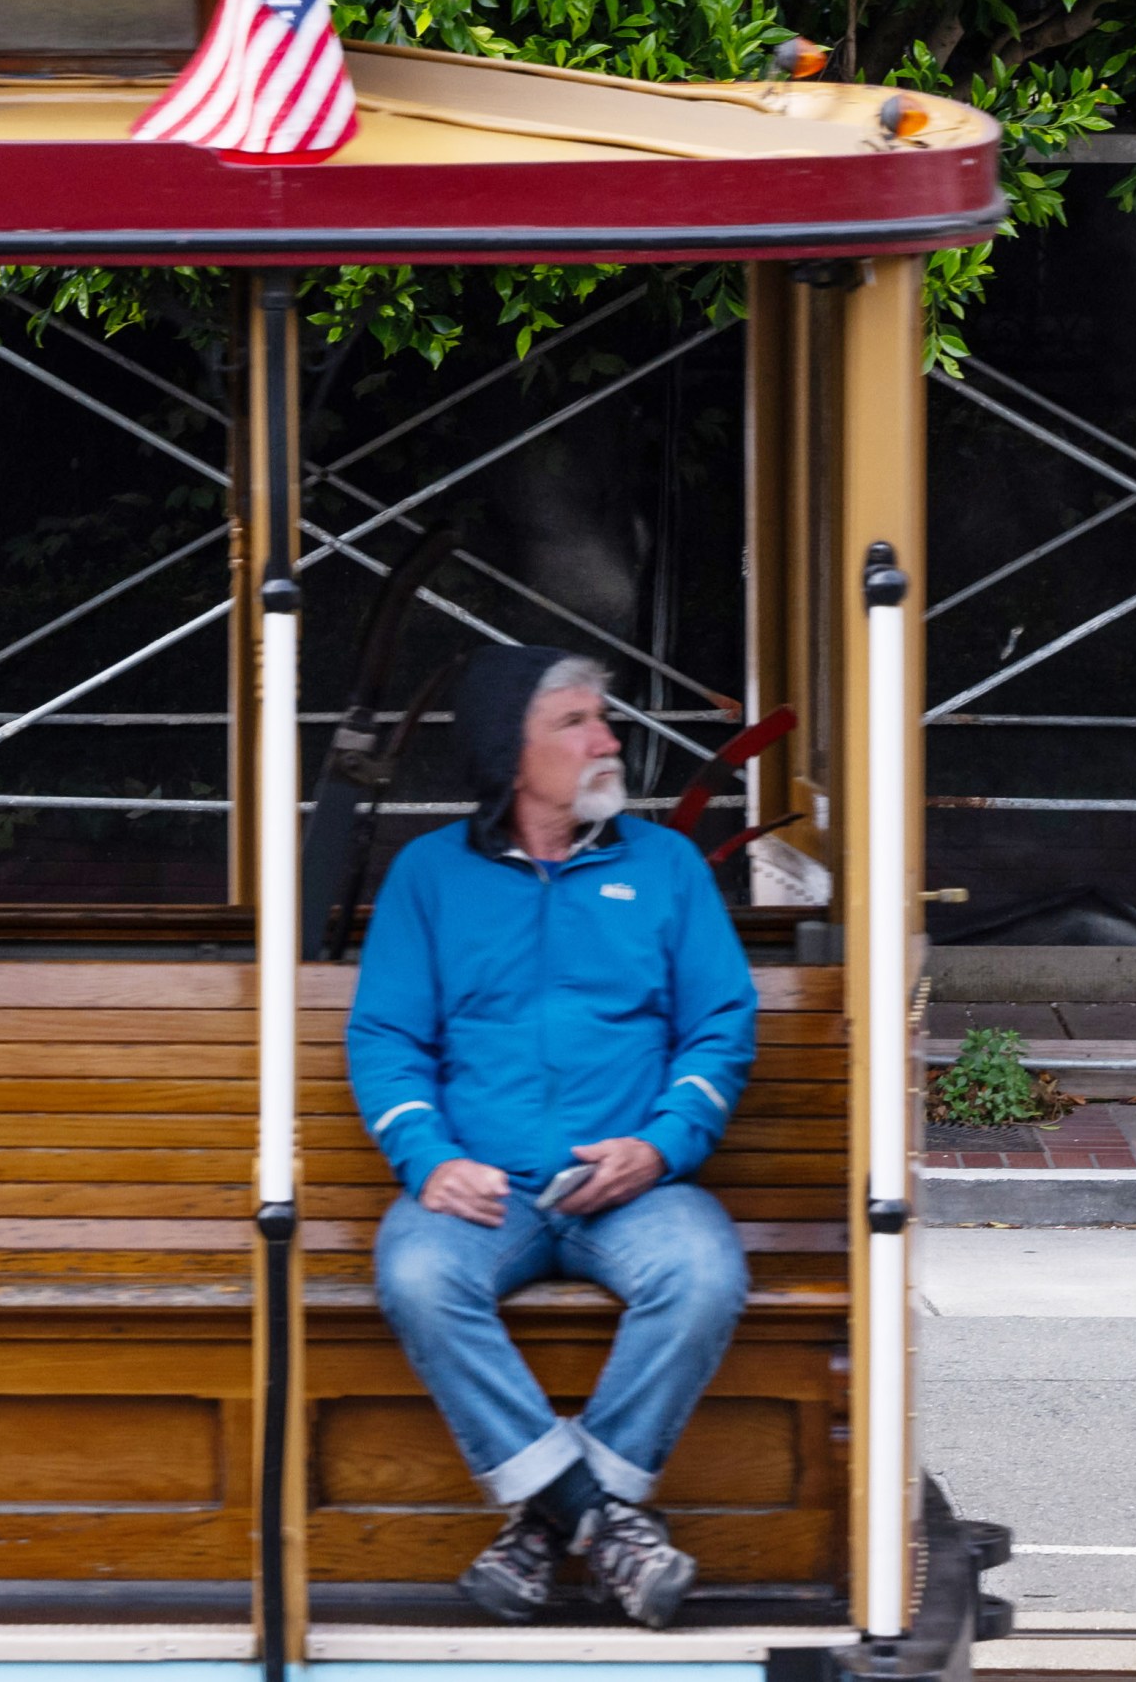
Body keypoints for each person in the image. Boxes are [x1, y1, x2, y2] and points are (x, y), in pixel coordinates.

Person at [350, 644, 758, 1631]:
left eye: (601, 716)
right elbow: (387, 1037)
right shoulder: (430, 875)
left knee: (702, 1270)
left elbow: (722, 1022)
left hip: (634, 1184)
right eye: (575, 720)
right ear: (509, 751)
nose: (606, 737)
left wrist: (661, 1144)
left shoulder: (663, 865)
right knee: (413, 1271)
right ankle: (602, 1522)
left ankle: (546, 1526)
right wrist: (430, 1156)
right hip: (483, 1190)